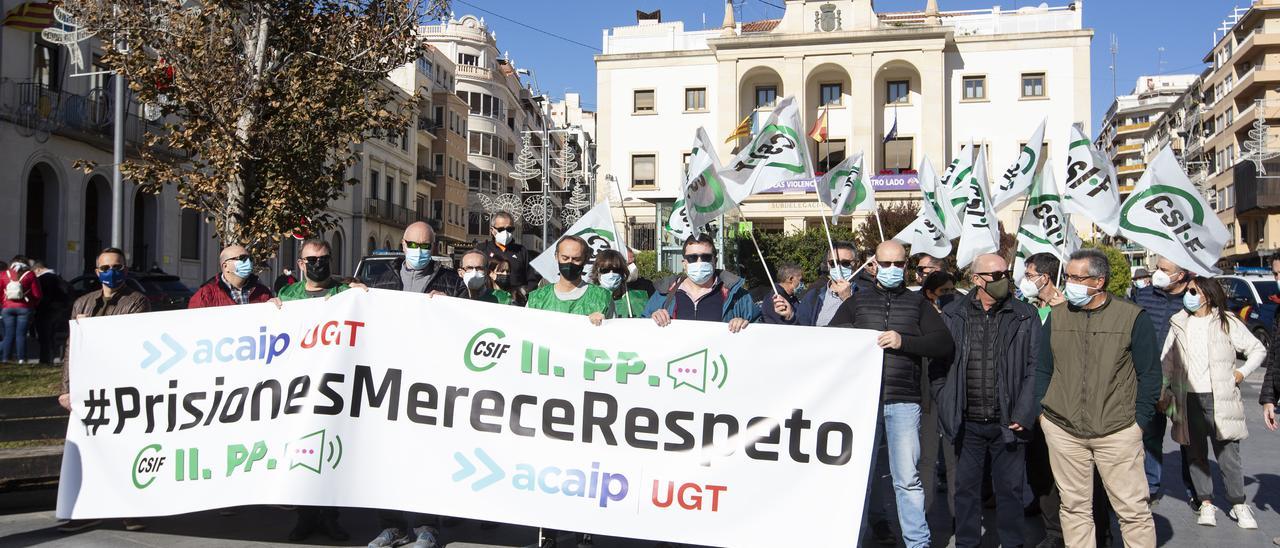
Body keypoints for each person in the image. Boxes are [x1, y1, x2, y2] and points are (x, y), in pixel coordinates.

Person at [828, 240, 954, 548]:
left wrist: (904, 341)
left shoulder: (918, 305)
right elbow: (829, 341)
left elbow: (943, 344)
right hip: (862, 404)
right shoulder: (856, 303)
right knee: (857, 476)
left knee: (907, 479)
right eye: (886, 264)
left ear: (906, 266)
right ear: (874, 266)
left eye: (898, 264)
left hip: (903, 402)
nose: (892, 270)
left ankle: (917, 543)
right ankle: (851, 538)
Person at [1036, 249, 1159, 548]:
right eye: (1068, 277)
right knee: (1074, 508)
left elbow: (1151, 376)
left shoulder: (1132, 317)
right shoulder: (1057, 316)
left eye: (1078, 278)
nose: (1070, 284)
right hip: (1064, 430)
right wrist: (1045, 416)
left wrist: (1138, 424)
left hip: (1117, 431)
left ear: (1099, 281)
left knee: (1133, 511)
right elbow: (1042, 368)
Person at [936, 253, 1039, 548]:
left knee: (1010, 491)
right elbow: (939, 367)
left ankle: (1012, 543)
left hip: (1009, 421)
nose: (1004, 279)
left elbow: (1036, 366)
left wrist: (1024, 410)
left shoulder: (1023, 314)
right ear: (977, 279)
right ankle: (967, 542)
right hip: (966, 423)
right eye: (996, 275)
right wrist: (946, 401)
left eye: (1005, 273)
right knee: (965, 491)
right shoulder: (953, 314)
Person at [524, 234, 611, 548]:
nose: (571, 264)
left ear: (586, 260)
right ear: (556, 258)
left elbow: (618, 345)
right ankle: (547, 529)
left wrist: (608, 324)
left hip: (587, 397)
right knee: (549, 466)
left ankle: (584, 530)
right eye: (566, 258)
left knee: (584, 467)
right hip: (547, 396)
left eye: (577, 259)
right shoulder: (537, 299)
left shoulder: (601, 297)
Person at [57, 248, 150, 533]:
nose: (112, 271)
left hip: (121, 387)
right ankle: (87, 509)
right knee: (89, 450)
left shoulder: (137, 301)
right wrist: (66, 388)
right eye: (106, 267)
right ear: (97, 271)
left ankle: (129, 510)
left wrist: (93, 327)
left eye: (117, 266)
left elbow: (126, 339)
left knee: (122, 449)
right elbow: (72, 348)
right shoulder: (82, 302)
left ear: (126, 268)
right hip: (87, 389)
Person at [1161, 277, 1264, 529]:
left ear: (1207, 294)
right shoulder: (1179, 323)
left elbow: (1257, 349)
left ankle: (1238, 503)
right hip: (1188, 398)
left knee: (1228, 454)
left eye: (1193, 290)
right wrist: (1164, 392)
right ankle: (1206, 502)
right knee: (1195, 454)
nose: (1189, 295)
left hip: (1220, 397)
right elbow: (1167, 359)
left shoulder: (1226, 321)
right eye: (1187, 291)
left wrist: (1241, 373)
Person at [277, 239, 353, 542]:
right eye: (312, 259)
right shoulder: (288, 296)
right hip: (299, 388)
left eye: (323, 258)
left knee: (333, 455)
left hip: (336, 387)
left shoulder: (346, 294)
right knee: (302, 454)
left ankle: (330, 516)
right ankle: (306, 516)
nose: (318, 264)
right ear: (300, 264)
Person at [1132, 255, 1195, 504]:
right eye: (1156, 267)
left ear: (1179, 276)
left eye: (1163, 269)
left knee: (1188, 438)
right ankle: (1151, 485)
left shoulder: (1194, 300)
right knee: (1149, 436)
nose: (1156, 273)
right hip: (1149, 378)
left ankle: (1196, 491)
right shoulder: (1145, 296)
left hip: (1181, 381)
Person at [645, 234, 760, 332]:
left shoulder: (737, 295)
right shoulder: (663, 295)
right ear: (684, 263)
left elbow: (762, 329)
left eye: (706, 257)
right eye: (692, 258)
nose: (699, 262)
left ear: (715, 260)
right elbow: (641, 331)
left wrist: (745, 326)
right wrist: (652, 319)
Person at [369, 222, 464, 297]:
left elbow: (465, 315)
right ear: (403, 244)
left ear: (433, 247)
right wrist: (356, 292)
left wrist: (449, 304)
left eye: (425, 246)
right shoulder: (380, 282)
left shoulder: (455, 283)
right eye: (412, 245)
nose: (418, 251)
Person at [188, 245, 273, 308]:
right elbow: (193, 324)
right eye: (242, 258)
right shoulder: (206, 295)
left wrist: (273, 307)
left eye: (250, 259)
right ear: (225, 266)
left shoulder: (263, 292)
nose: (248, 262)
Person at [797, 242, 859, 327]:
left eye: (845, 263)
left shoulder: (865, 295)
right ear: (828, 265)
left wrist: (848, 299)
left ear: (856, 264)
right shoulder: (813, 296)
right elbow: (800, 327)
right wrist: (789, 316)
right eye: (833, 263)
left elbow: (866, 325)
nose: (839, 268)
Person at [476, 211, 541, 292]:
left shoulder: (521, 251)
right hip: (489, 300)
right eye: (501, 229)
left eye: (509, 229)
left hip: (515, 301)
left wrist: (522, 293)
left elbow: (532, 281)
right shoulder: (482, 250)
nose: (505, 233)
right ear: (492, 230)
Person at [1, 256, 42, 363]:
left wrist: (5, 303)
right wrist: (33, 305)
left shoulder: (5, 274)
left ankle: (5, 358)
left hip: (7, 308)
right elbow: (37, 294)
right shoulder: (30, 275)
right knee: (21, 334)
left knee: (8, 334)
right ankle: (21, 359)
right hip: (25, 308)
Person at [30, 260, 71, 365]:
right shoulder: (58, 278)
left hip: (46, 311)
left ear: (38, 269)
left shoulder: (43, 279)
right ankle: (51, 358)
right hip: (58, 310)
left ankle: (45, 360)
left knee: (44, 337)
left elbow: (41, 296)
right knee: (51, 336)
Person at [592, 249, 648, 318]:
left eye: (616, 270)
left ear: (623, 273)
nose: (611, 274)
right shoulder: (588, 300)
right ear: (597, 273)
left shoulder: (639, 299)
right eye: (605, 270)